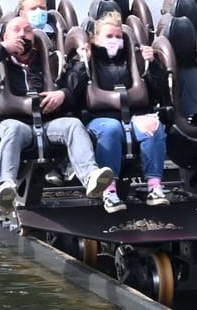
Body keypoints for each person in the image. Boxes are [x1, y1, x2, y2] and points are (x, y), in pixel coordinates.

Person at [0, 14, 113, 213]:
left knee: (73, 125)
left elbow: (72, 90)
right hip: (14, 122)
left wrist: (62, 94)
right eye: (16, 31)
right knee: (12, 130)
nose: (23, 35)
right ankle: (5, 186)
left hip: (48, 124)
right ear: (6, 36)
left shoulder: (50, 61)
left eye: (27, 30)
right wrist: (2, 49)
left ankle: (91, 177)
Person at [64, 13, 169, 211]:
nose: (114, 41)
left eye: (118, 37)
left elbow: (159, 92)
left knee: (153, 127)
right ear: (95, 39)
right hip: (100, 118)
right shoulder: (87, 60)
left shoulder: (134, 59)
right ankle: (109, 190)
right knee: (111, 129)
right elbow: (72, 92)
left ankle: (154, 187)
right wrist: (80, 63)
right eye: (109, 36)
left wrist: (152, 64)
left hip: (135, 115)